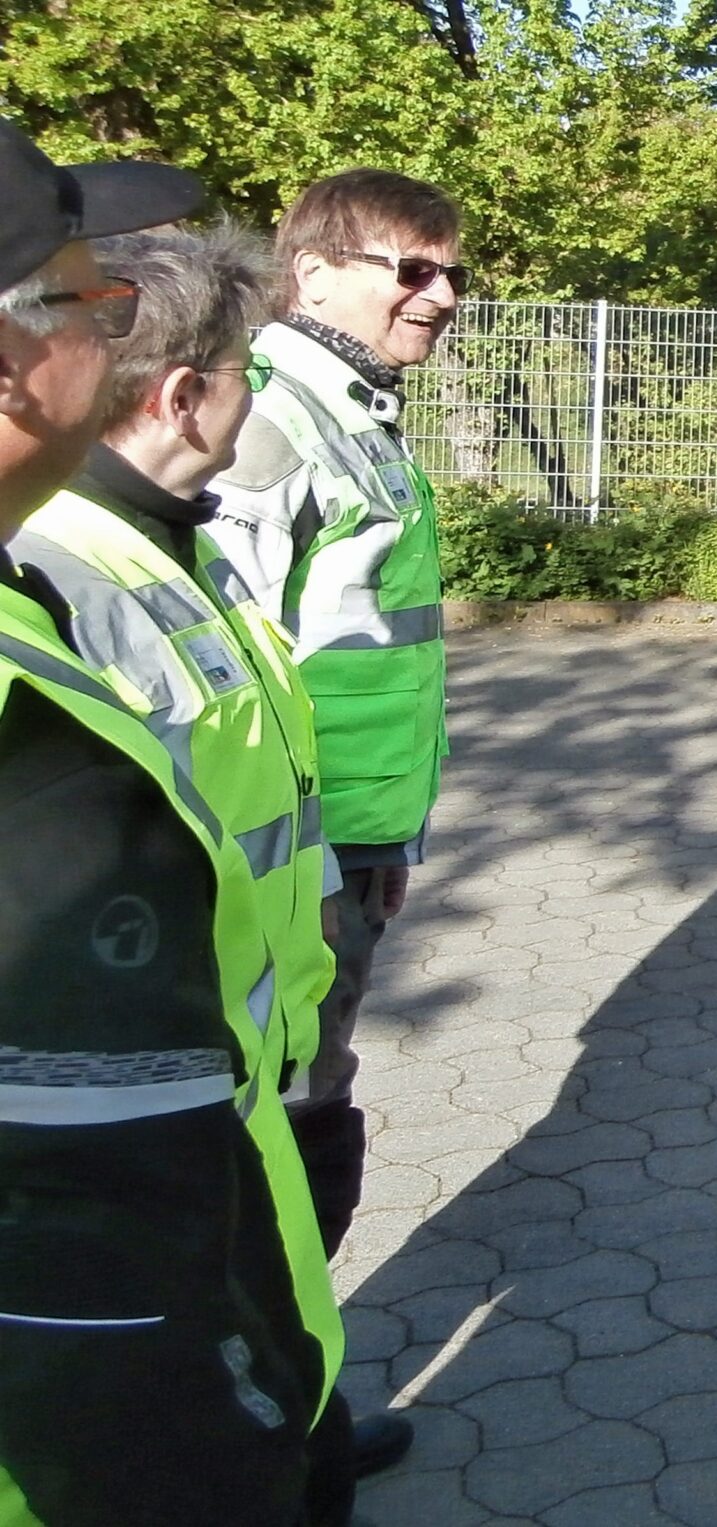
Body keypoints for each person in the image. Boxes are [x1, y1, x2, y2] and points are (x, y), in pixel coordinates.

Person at [0, 120, 337, 1523]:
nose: (113, 332)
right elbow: (86, 1227)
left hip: (244, 1112)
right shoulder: (56, 622)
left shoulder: (126, 560)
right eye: (92, 300)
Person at [203, 167, 466, 1476]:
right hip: (285, 862)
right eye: (411, 269)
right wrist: (308, 860)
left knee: (311, 1122)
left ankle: (282, 1397)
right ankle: (259, 1426)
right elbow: (228, 669)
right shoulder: (271, 417)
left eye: (453, 273)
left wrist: (385, 843)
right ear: (311, 274)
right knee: (284, 1135)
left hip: (345, 845)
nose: (442, 294)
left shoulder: (352, 408)